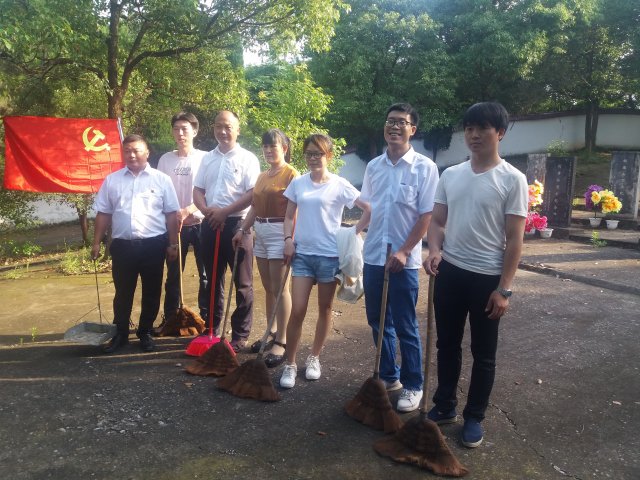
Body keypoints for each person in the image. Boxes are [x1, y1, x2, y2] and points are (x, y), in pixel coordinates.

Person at [423, 102, 528, 448]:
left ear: (500, 133)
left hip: (487, 279)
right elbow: (437, 222)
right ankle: (445, 405)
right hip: (450, 272)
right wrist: (434, 250)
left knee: (483, 353)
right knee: (446, 344)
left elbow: (515, 240)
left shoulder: (513, 179)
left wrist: (504, 289)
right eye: (469, 128)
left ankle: (474, 417)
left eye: (482, 128)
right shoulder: (451, 174)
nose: (474, 135)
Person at [360, 103, 439, 412]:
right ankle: (389, 375)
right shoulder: (374, 166)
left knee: (405, 323)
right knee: (377, 320)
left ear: (412, 130)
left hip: (404, 261)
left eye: (401, 122)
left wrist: (405, 250)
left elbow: (427, 215)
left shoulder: (424, 167)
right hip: (374, 255)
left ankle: (413, 384)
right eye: (390, 121)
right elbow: (370, 207)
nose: (394, 127)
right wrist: (354, 233)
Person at [279, 133, 370, 389]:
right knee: (298, 310)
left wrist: (352, 233)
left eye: (318, 153)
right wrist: (288, 239)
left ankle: (314, 357)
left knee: (325, 309)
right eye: (309, 153)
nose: (313, 158)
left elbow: (368, 208)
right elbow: (288, 217)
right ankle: (290, 363)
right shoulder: (298, 183)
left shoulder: (340, 184)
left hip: (330, 256)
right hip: (303, 255)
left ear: (328, 155)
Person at [91, 134, 180, 353]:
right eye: (127, 151)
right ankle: (120, 333)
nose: (131, 155)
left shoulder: (161, 179)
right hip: (123, 247)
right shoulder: (112, 180)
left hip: (153, 245)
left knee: (152, 291)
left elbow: (171, 214)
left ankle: (145, 332)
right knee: (123, 292)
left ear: (147, 153)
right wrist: (96, 243)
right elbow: (103, 213)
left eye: (136, 150)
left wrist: (172, 244)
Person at [193, 110, 260, 352]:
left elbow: (252, 194)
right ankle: (211, 328)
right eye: (218, 126)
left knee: (242, 283)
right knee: (212, 280)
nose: (222, 131)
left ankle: (240, 335)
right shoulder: (207, 158)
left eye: (228, 127)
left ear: (237, 130)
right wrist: (207, 211)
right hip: (210, 224)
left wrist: (225, 212)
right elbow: (198, 190)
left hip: (238, 226)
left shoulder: (247, 158)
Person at [232, 129, 299, 368]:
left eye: (274, 146)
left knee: (281, 289)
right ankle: (270, 331)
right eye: (266, 146)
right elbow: (254, 207)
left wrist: (290, 239)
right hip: (260, 231)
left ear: (284, 148)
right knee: (269, 288)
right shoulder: (262, 176)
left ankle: (282, 340)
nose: (269, 150)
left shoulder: (291, 174)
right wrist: (242, 229)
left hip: (280, 232)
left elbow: (294, 211)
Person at [155, 112, 208, 329]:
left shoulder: (205, 158)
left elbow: (211, 191)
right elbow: (159, 191)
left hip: (202, 224)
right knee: (174, 274)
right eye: (176, 129)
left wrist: (189, 209)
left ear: (194, 131)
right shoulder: (165, 160)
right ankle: (171, 318)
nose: (180, 133)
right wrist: (173, 214)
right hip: (175, 227)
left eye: (185, 129)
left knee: (206, 275)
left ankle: (206, 319)